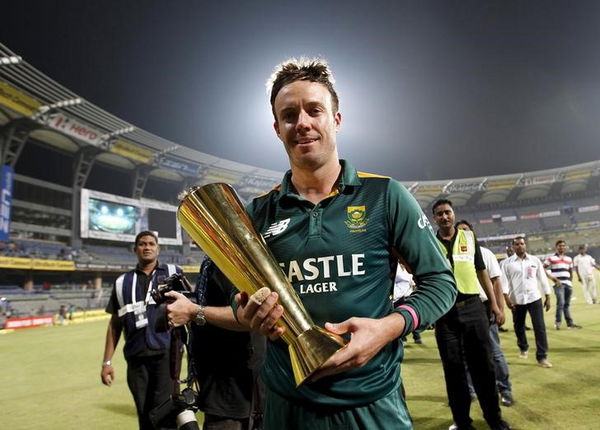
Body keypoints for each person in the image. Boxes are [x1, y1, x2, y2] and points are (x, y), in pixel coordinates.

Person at [185, 57, 457, 430]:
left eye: (314, 110)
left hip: (373, 403)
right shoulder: (256, 213)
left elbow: (441, 281)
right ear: (277, 129)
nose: (303, 123)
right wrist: (245, 309)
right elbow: (236, 290)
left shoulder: (385, 196)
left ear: (337, 120)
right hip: (288, 406)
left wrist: (392, 326)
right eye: (290, 115)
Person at [432, 199, 510, 430]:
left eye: (447, 212)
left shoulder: (469, 237)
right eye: (439, 214)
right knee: (453, 370)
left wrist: (494, 304)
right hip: (445, 313)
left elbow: (481, 271)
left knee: (484, 366)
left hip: (474, 307)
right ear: (434, 218)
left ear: (454, 214)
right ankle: (463, 423)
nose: (444, 217)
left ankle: (494, 419)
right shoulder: (428, 241)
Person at [169, 256, 265, 430]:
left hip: (233, 388)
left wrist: (194, 311)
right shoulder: (212, 260)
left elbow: (248, 316)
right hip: (221, 384)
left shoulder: (228, 259)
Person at [100, 231, 182, 430]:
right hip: (136, 357)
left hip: (167, 354)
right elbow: (114, 324)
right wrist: (107, 362)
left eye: (151, 243)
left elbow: (190, 309)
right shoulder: (121, 283)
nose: (147, 247)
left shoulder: (173, 272)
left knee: (164, 411)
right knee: (144, 414)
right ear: (135, 249)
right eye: (142, 244)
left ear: (158, 248)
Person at [455, 220, 514, 408]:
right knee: (464, 353)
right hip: (462, 307)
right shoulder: (455, 254)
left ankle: (505, 389)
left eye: (466, 230)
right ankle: (469, 391)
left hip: (484, 305)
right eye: (460, 231)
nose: (463, 233)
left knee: (493, 351)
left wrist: (499, 308)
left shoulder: (485, 253)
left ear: (472, 233)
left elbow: (496, 282)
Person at [502, 237, 553, 368]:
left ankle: (542, 357)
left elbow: (542, 278)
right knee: (519, 326)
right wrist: (506, 298)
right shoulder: (507, 263)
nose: (520, 246)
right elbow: (504, 282)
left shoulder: (534, 260)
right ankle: (523, 347)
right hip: (516, 300)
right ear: (513, 247)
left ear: (526, 245)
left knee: (540, 327)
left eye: (522, 244)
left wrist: (548, 296)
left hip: (534, 298)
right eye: (517, 244)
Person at [544, 240, 582, 329]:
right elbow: (542, 269)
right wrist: (552, 278)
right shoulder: (551, 258)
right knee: (561, 303)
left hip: (568, 284)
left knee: (567, 304)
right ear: (556, 247)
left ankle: (570, 323)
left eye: (563, 246)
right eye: (560, 246)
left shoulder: (569, 259)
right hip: (558, 284)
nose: (562, 247)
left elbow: (570, 271)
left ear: (565, 247)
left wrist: (570, 281)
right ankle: (557, 322)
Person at [393, 263, 423, 345]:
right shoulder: (397, 267)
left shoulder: (408, 266)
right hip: (400, 297)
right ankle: (403, 338)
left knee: (414, 316)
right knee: (402, 317)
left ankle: (417, 337)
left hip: (410, 294)